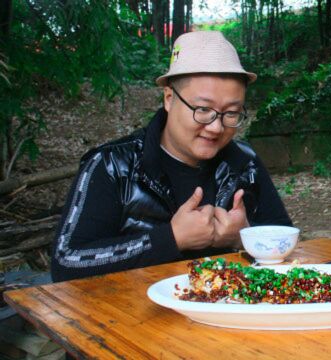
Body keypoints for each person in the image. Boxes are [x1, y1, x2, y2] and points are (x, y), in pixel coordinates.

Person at [51, 31, 291, 282]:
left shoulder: (245, 163)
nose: (216, 127)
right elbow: (66, 261)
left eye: (231, 113)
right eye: (203, 110)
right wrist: (171, 238)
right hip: (130, 316)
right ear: (169, 98)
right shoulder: (112, 165)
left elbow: (287, 240)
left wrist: (245, 236)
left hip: (229, 313)